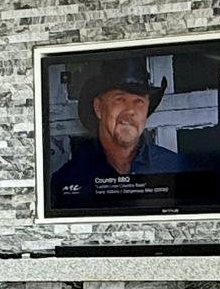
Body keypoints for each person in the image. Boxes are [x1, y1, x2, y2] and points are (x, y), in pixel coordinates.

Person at [49, 68, 189, 207]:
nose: (130, 111)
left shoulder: (178, 169)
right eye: (120, 99)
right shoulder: (66, 180)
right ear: (98, 108)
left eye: (139, 101)